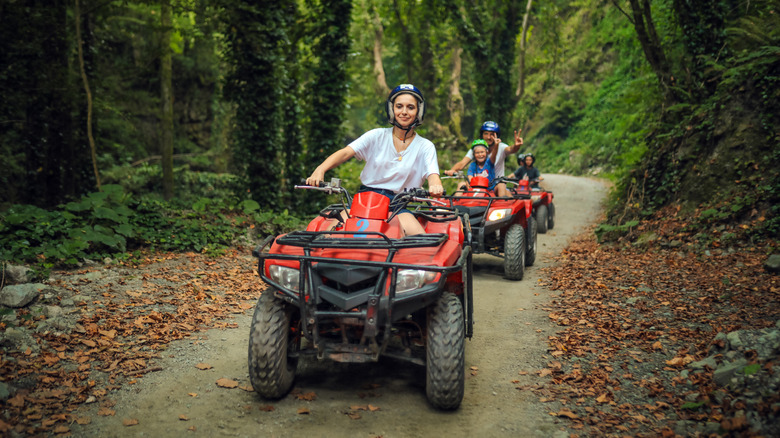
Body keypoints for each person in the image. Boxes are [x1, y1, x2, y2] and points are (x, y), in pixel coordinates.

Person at [306, 84, 443, 236]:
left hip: (397, 205)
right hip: (364, 201)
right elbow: (346, 152)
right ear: (392, 109)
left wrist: (435, 185)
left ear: (419, 112)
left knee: (421, 242)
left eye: (410, 107)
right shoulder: (376, 136)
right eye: (399, 106)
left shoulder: (425, 146)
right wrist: (320, 169)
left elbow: (433, 174)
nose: (404, 112)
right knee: (328, 235)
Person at [444, 121, 523, 197]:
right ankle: (457, 205)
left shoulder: (499, 147)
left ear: (486, 152)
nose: (488, 137)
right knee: (461, 184)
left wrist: (516, 146)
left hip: (494, 185)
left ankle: (503, 205)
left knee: (503, 189)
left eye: (492, 134)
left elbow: (511, 149)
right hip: (476, 186)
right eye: (486, 134)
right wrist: (452, 171)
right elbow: (462, 164)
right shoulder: (476, 149)